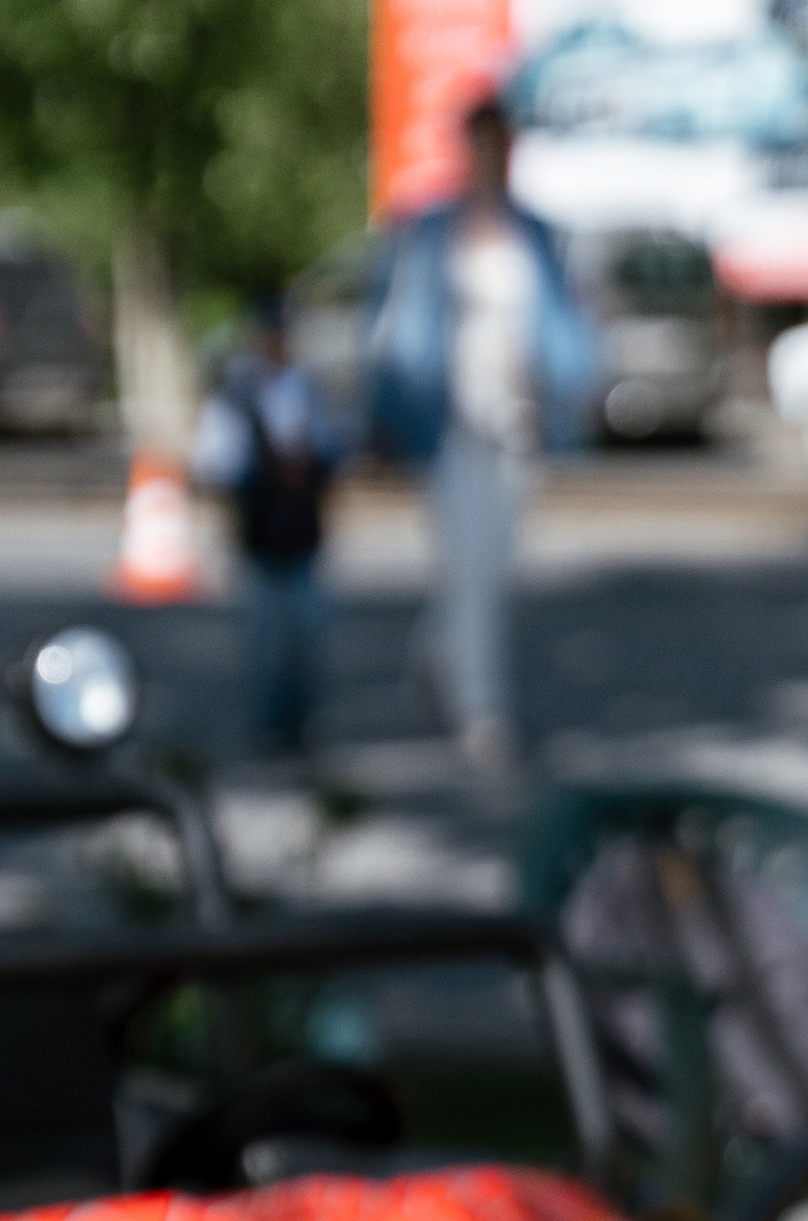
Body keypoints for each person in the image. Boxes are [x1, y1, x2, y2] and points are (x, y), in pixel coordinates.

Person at [367, 96, 599, 769]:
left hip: (516, 428)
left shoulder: (534, 234)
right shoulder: (429, 231)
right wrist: (384, 413)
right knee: (470, 572)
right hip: (447, 426)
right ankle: (483, 712)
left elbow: (562, 328)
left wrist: (579, 382)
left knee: (490, 570)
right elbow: (394, 333)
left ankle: (431, 658)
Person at [191, 302, 347, 759]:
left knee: (306, 634)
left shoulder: (309, 391)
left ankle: (300, 723)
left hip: (302, 532)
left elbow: (332, 452)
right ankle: (268, 726)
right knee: (264, 639)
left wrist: (307, 469)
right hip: (260, 535)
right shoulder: (235, 397)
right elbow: (214, 463)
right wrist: (264, 473)